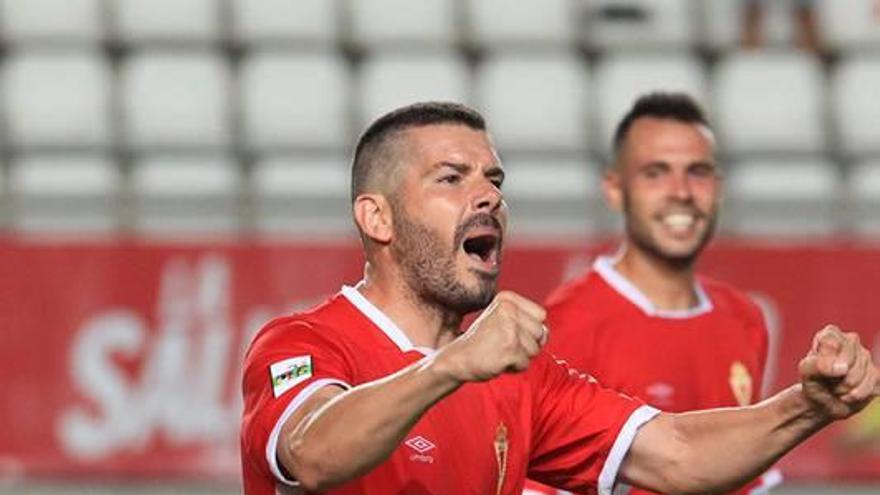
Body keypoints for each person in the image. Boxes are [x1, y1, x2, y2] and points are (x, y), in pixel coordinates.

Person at [240, 101, 879, 495]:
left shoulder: (519, 377)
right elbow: (313, 454)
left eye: (494, 179)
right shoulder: (303, 343)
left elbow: (679, 455)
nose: (487, 195)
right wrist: (449, 366)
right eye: (451, 179)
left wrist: (809, 407)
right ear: (377, 219)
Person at [525, 92, 779, 495]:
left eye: (697, 171)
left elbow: (746, 474)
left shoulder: (745, 318)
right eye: (655, 172)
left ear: (718, 187)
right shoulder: (563, 325)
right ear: (614, 188)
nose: (680, 191)